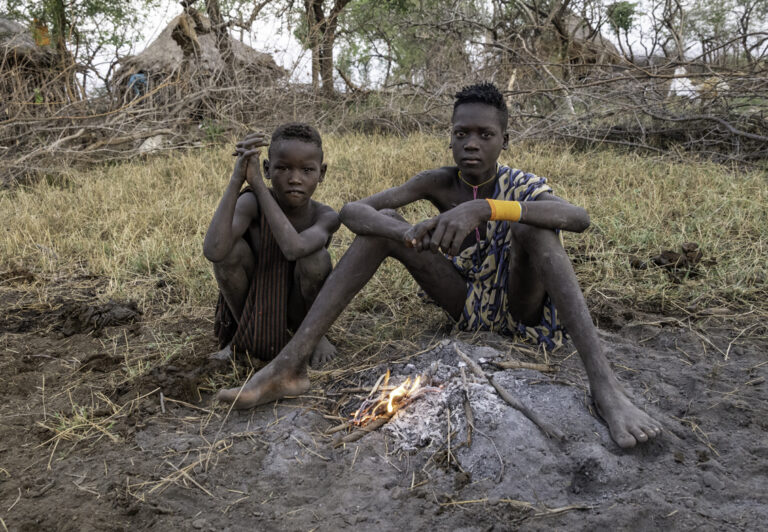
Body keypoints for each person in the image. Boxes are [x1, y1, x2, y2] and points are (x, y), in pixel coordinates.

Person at [217, 83, 661, 449]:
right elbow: (352, 212)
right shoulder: (437, 182)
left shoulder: (518, 184)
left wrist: (486, 209)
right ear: (449, 137)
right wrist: (408, 233)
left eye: (485, 135)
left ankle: (605, 388)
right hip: (468, 305)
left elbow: (577, 218)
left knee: (536, 229)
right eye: (461, 133)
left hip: (522, 308)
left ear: (504, 140)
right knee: (382, 225)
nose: (471, 143)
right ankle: (288, 366)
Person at [203, 123, 339, 367]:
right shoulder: (251, 203)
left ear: (322, 173)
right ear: (266, 169)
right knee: (229, 253)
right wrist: (238, 178)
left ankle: (313, 335)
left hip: (299, 309)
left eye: (307, 170)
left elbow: (293, 249)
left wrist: (258, 186)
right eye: (283, 168)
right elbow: (214, 251)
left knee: (316, 259)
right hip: (253, 308)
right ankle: (242, 336)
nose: (295, 179)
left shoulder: (325, 216)